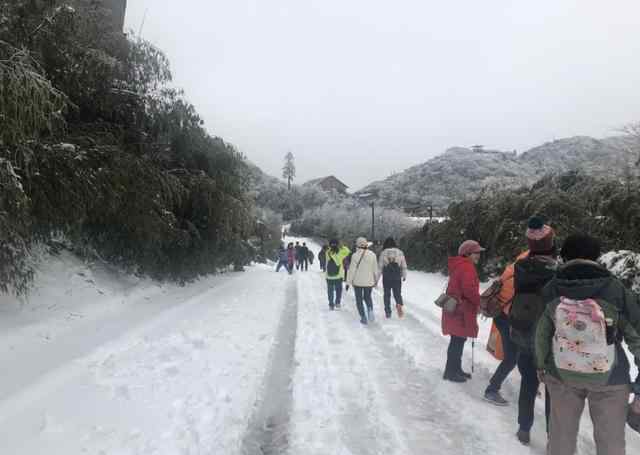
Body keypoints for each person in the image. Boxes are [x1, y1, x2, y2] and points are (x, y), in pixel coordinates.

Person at [536, 234, 640, 455]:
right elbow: (636, 336)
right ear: (597, 256)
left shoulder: (551, 288)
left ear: (564, 257)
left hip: (562, 373)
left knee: (560, 439)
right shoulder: (616, 289)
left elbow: (541, 333)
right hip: (611, 377)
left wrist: (541, 366)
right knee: (611, 443)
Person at [507, 216, 557, 445]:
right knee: (552, 391)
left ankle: (524, 429)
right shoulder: (557, 269)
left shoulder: (521, 266)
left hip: (524, 333)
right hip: (550, 338)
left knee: (528, 383)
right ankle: (552, 436)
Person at [442, 239, 484, 382]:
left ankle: (455, 369)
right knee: (457, 341)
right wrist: (480, 302)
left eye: (479, 252)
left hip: (457, 308)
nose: (478, 255)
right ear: (467, 254)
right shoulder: (467, 267)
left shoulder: (461, 265)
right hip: (461, 310)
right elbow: (469, 290)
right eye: (475, 253)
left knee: (458, 340)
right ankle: (450, 372)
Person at [347, 237, 380, 325]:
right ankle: (370, 310)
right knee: (367, 297)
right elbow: (375, 270)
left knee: (359, 299)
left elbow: (351, 270)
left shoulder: (355, 255)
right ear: (366, 244)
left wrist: (348, 282)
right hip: (369, 282)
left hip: (357, 282)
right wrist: (376, 281)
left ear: (357, 245)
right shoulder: (373, 254)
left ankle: (363, 317)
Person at [378, 237, 408, 318]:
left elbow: (380, 268)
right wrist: (404, 275)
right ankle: (399, 305)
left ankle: (388, 312)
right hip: (397, 277)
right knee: (397, 293)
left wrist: (376, 280)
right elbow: (404, 265)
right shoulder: (400, 252)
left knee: (387, 295)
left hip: (386, 277)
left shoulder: (383, 252)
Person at [325, 239, 351, 310]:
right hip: (339, 276)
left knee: (330, 291)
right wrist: (342, 246)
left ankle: (331, 304)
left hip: (329, 276)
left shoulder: (327, 252)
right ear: (337, 244)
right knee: (338, 290)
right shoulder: (341, 252)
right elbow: (348, 251)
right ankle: (337, 303)